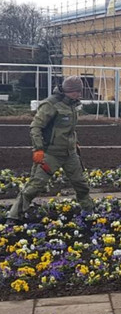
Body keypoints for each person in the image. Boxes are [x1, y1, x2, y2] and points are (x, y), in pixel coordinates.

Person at [6, 76, 94, 222]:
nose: (79, 94)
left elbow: (68, 129)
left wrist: (74, 142)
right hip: (51, 154)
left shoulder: (72, 105)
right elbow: (35, 127)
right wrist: (38, 149)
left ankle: (89, 210)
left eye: (79, 91)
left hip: (70, 154)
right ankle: (14, 216)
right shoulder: (51, 105)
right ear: (67, 91)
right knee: (35, 186)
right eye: (76, 92)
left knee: (81, 184)